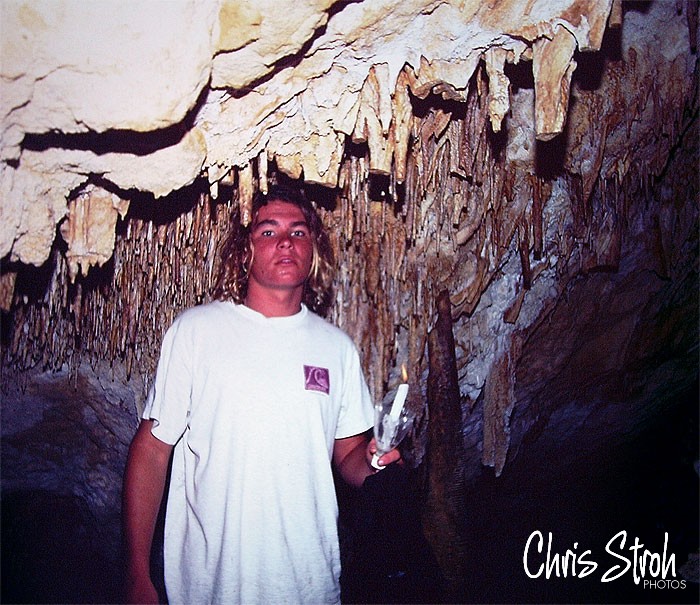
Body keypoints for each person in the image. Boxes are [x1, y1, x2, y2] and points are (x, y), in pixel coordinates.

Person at [122, 185, 400, 605]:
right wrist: (136, 573)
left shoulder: (336, 348)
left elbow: (347, 456)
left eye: (298, 232)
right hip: (213, 586)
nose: (286, 242)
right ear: (244, 251)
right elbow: (153, 450)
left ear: (313, 249)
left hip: (308, 585)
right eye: (269, 232)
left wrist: (375, 461)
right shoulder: (197, 332)